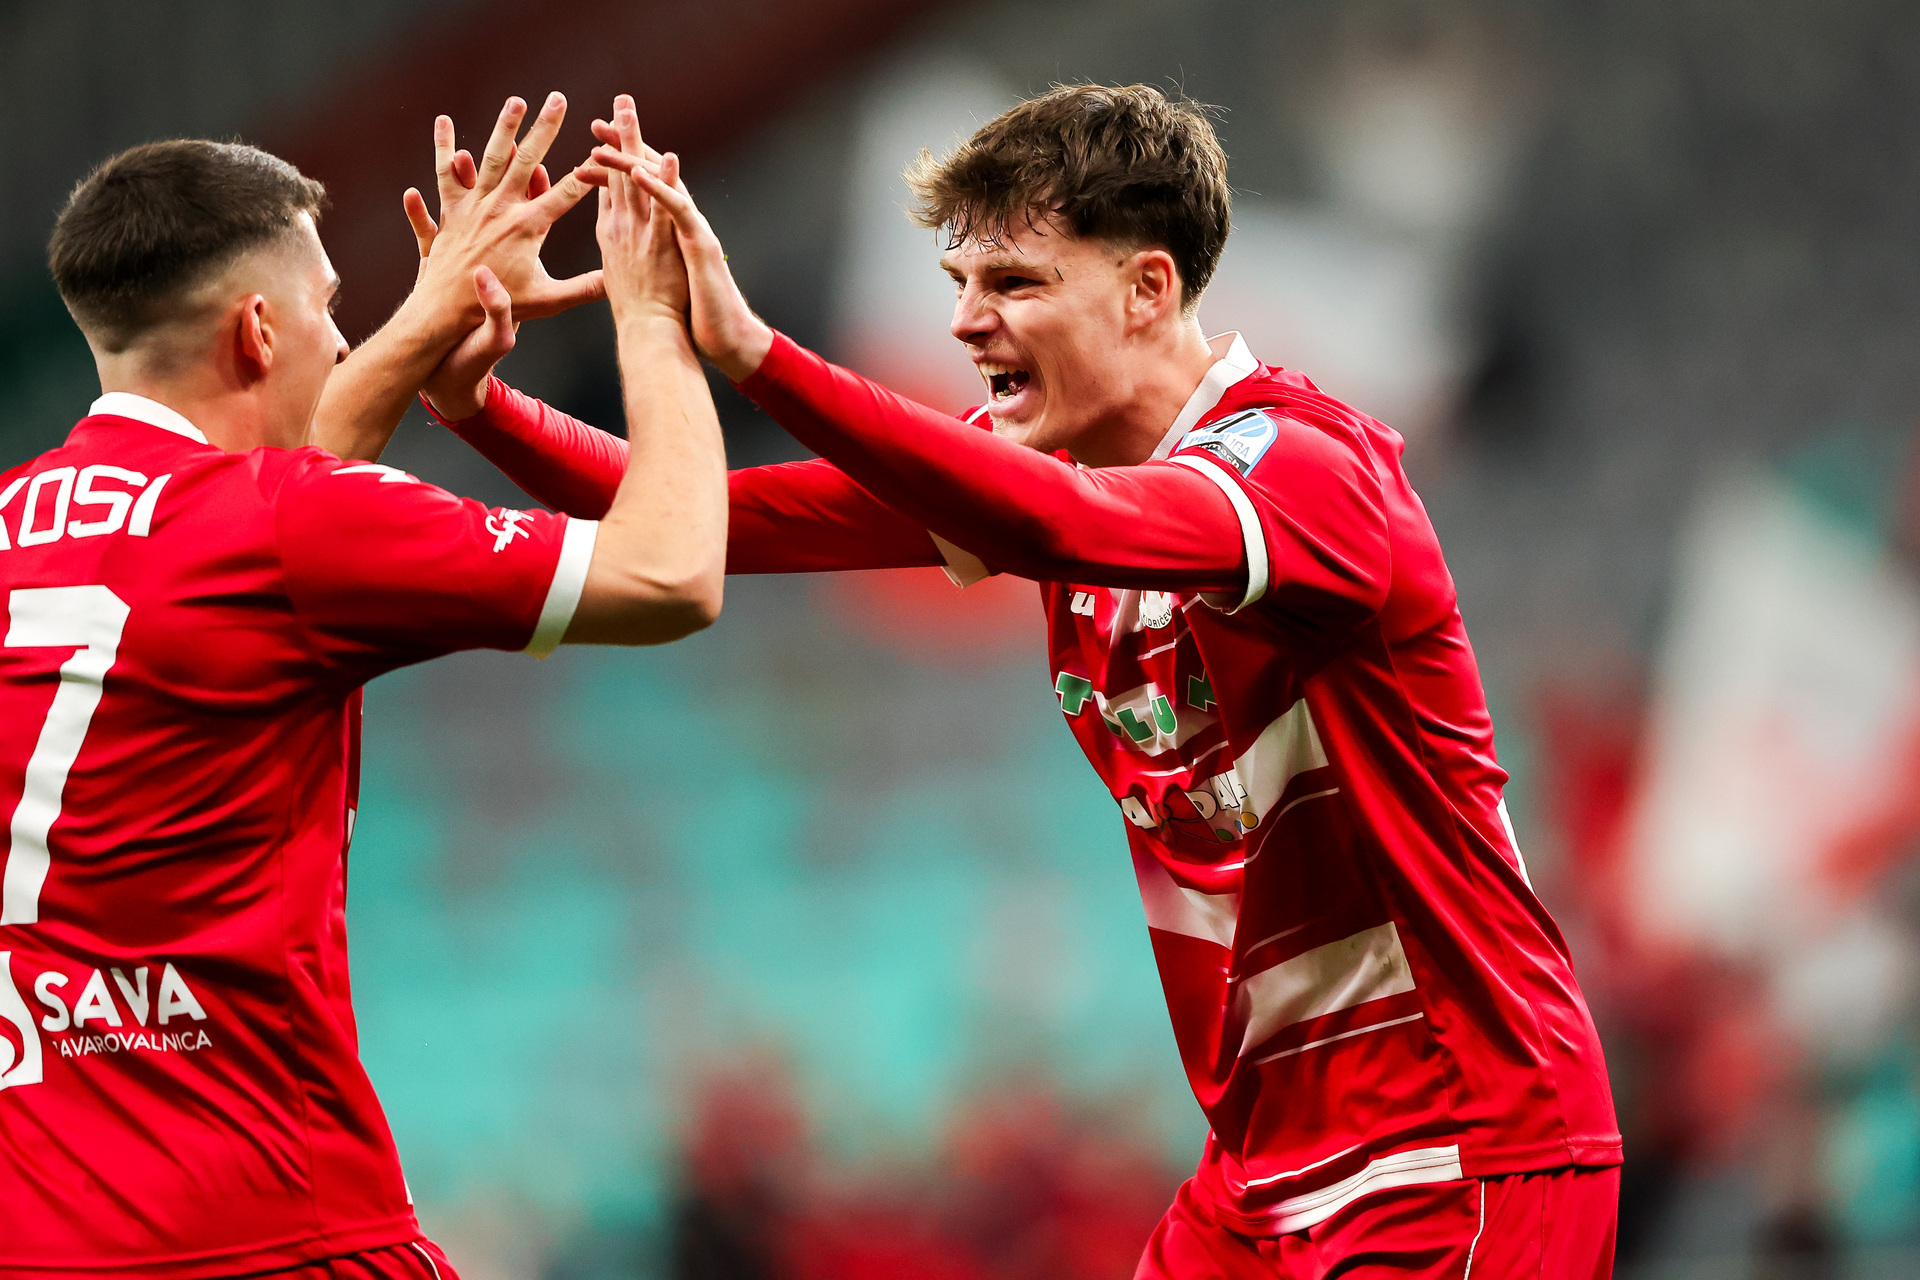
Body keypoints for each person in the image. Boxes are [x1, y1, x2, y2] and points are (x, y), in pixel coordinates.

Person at [423, 86, 1621, 1277]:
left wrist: (754, 353)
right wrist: (475, 399)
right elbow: (695, 519)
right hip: (1263, 1175)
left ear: (1148, 288)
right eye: (959, 283)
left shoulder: (1305, 471)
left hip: (1461, 1146)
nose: (965, 322)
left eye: (1013, 283)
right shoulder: (1035, 475)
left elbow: (1061, 525)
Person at [0, 94, 725, 1277]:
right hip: (272, 1227)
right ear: (258, 330)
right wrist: (653, 318)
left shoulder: (28, 522)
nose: (344, 341)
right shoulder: (285, 524)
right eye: (329, 306)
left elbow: (238, 534)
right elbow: (672, 573)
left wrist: (433, 317)